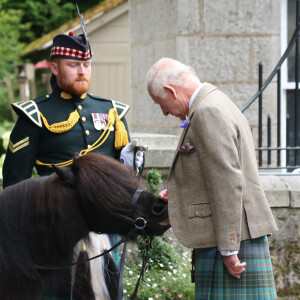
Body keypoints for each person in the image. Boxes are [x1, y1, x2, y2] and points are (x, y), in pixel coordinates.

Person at [2, 19, 141, 300]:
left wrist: (132, 166)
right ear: (54, 68)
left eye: (86, 65)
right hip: (57, 228)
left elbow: (123, 178)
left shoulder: (112, 111)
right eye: (73, 65)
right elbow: (15, 183)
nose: (82, 72)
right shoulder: (36, 115)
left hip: (103, 223)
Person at [146, 57, 278, 299]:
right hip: (236, 233)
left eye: (160, 103)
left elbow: (228, 180)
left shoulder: (208, 112)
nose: (164, 111)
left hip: (231, 239)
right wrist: (178, 193)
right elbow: (213, 172)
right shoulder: (217, 101)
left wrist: (229, 248)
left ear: (170, 90)